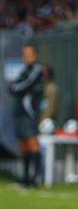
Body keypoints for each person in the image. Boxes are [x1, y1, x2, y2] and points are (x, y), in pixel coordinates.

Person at [8, 45, 44, 187]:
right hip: (19, 112)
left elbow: (22, 86)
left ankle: (36, 178)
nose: (26, 56)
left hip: (29, 113)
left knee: (32, 143)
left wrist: (15, 88)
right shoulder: (23, 70)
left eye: (29, 53)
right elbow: (11, 87)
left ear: (35, 55)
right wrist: (15, 88)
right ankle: (26, 178)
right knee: (23, 145)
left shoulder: (37, 70)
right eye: (25, 54)